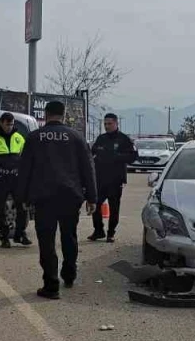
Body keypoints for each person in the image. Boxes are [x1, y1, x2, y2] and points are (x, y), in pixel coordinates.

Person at [15, 101, 96, 299]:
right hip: (70, 196)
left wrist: (22, 198)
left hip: (44, 198)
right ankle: (69, 274)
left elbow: (24, 170)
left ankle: (51, 285)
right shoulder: (76, 137)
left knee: (47, 241)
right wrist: (92, 197)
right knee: (69, 236)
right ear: (64, 114)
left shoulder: (34, 138)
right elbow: (88, 168)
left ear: (46, 114)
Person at [0, 112, 31, 248]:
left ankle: (20, 234)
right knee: (1, 209)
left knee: (22, 207)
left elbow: (25, 158)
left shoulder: (19, 138)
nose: (9, 127)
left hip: (16, 178)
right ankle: (4, 237)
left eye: (11, 124)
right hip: (1, 178)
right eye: (7, 124)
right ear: (1, 123)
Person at [89, 113, 139, 243]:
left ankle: (111, 233)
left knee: (114, 207)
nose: (107, 126)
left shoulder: (124, 139)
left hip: (116, 180)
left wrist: (117, 157)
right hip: (100, 179)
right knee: (96, 204)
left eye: (109, 124)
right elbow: (91, 153)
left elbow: (133, 156)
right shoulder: (101, 138)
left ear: (116, 123)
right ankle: (98, 230)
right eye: (105, 124)